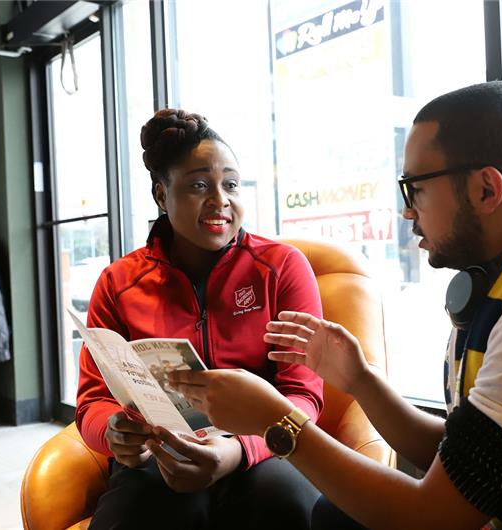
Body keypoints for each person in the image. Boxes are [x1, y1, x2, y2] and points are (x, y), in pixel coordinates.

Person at [167, 82, 502, 529]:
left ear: (486, 190)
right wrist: (360, 381)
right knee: (335, 516)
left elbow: (430, 519)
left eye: (415, 188)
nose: (407, 212)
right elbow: (461, 455)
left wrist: (276, 421)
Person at [76, 108, 324, 529]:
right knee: (139, 513)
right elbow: (92, 401)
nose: (220, 200)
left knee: (285, 502)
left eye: (231, 184)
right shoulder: (118, 283)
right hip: (161, 452)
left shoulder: (282, 267)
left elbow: (304, 396)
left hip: (263, 448)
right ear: (161, 195)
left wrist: (239, 450)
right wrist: (113, 432)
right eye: (198, 185)